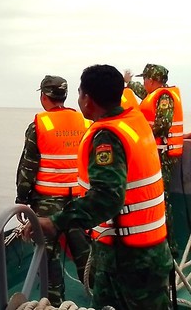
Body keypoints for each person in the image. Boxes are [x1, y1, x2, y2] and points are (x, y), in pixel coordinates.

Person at [24, 64, 173, 310]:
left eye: (81, 92)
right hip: (152, 248)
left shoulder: (107, 137)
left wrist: (54, 222)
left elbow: (107, 197)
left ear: (87, 98)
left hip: (127, 259)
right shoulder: (134, 121)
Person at [15, 75, 93, 306]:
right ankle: (98, 296)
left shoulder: (39, 125)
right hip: (79, 201)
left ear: (44, 96)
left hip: (47, 204)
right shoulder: (84, 122)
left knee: (48, 257)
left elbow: (28, 167)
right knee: (84, 252)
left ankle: (55, 303)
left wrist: (22, 198)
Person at [125, 63, 183, 256]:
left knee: (161, 200)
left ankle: (170, 246)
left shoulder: (165, 97)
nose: (144, 83)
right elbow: (143, 92)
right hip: (157, 153)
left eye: (144, 80)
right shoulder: (155, 94)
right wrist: (129, 83)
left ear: (152, 80)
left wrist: (139, 135)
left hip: (163, 155)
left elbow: (162, 125)